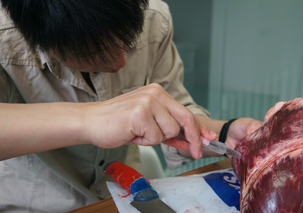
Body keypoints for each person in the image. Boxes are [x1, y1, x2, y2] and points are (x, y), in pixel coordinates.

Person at [0, 0, 262, 212]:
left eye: (130, 43)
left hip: (125, 195)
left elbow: (180, 114)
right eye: (93, 56)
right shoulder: (5, 39)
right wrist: (91, 120)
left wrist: (225, 133)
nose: (120, 63)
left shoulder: (153, 17)